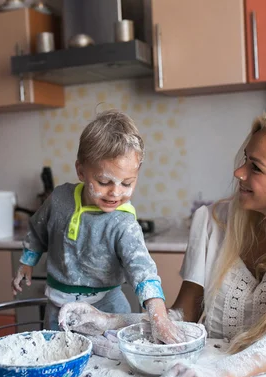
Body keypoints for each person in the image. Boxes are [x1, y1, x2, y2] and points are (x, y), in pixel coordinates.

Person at [59, 113, 266, 377]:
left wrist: (221, 373)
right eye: (245, 158)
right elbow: (184, 316)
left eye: (255, 167)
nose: (239, 172)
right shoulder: (211, 220)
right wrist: (111, 321)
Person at [12, 110, 187, 346]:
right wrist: (27, 261)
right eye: (104, 182)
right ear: (81, 171)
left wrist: (160, 316)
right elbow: (37, 230)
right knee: (59, 360)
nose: (115, 192)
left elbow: (142, 270)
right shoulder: (59, 199)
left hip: (108, 307)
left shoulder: (123, 222)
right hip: (58, 308)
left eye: (127, 183)